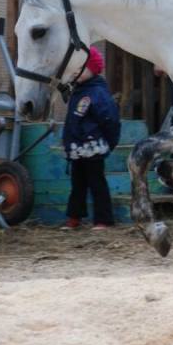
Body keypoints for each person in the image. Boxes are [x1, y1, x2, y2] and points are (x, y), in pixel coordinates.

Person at [62, 47, 121, 230]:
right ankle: (74, 217)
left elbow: (110, 119)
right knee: (77, 185)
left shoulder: (97, 93)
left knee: (97, 184)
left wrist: (108, 143)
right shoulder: (78, 91)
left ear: (93, 69)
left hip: (93, 148)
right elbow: (72, 121)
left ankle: (103, 220)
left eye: (81, 68)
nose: (76, 72)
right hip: (77, 149)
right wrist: (68, 143)